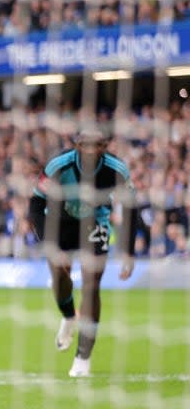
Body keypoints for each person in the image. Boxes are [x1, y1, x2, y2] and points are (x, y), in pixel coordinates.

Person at [28, 126, 138, 377]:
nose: (90, 150)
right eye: (84, 144)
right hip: (60, 223)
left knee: (91, 285)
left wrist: (128, 251)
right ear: (76, 145)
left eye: (96, 145)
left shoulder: (117, 170)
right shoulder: (58, 165)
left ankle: (82, 358)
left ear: (105, 146)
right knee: (60, 276)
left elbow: (131, 208)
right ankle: (68, 316)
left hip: (94, 223)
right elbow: (35, 204)